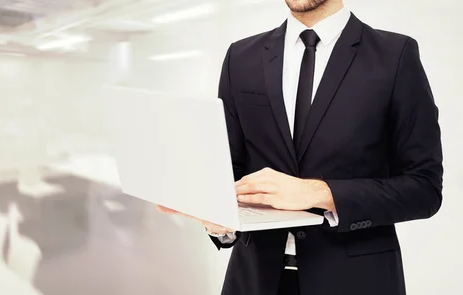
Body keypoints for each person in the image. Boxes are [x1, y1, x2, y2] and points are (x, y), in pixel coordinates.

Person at [158, 0, 443, 294]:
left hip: (357, 280)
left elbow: (424, 188)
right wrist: (218, 219)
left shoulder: (395, 55)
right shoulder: (240, 57)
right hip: (254, 280)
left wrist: (323, 194)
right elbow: (230, 170)